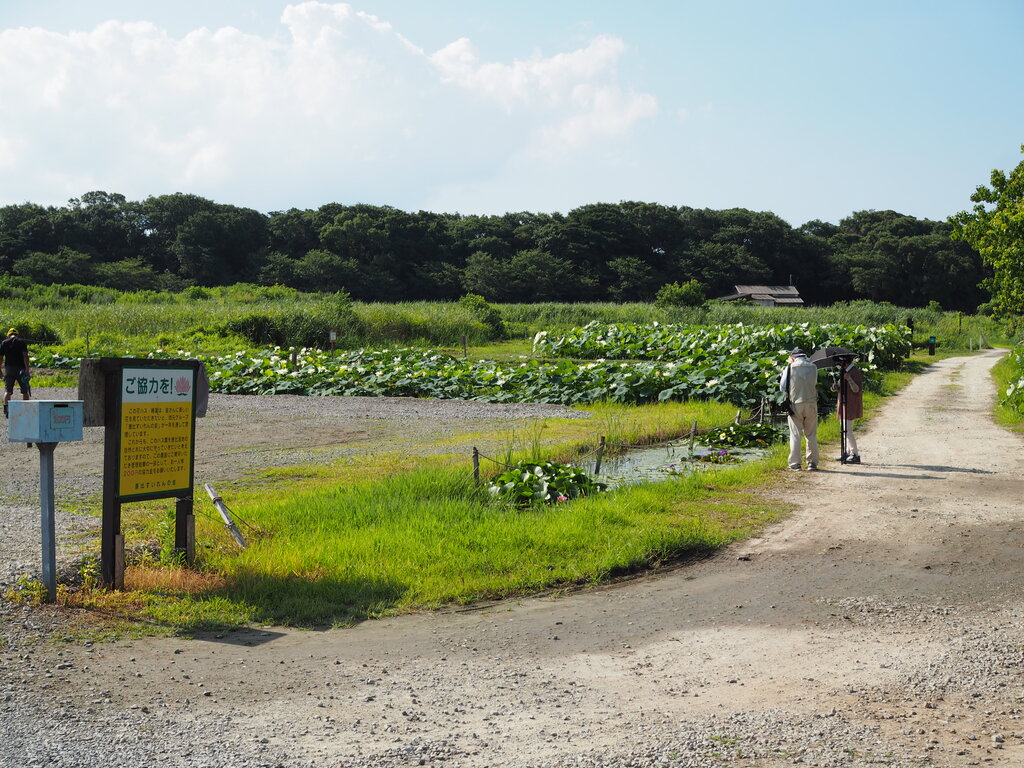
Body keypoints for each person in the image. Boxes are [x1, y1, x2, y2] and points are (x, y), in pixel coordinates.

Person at [779, 347, 819, 470]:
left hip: (795, 403)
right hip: (811, 403)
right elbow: (814, 382)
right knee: (811, 435)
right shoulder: (813, 367)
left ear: (793, 357)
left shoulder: (790, 367)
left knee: (796, 435)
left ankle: (795, 463)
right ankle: (812, 463)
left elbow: (782, 387)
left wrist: (782, 376)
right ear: (804, 356)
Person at [835, 357, 863, 463]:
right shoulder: (845, 371)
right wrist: (835, 386)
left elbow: (856, 389)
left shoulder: (854, 372)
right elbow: (839, 386)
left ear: (845, 363)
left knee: (848, 430)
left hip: (850, 404)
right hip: (843, 403)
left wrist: (849, 379)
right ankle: (847, 452)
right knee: (844, 429)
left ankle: (855, 454)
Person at [1, 328, 31, 417]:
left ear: (8, 335)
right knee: (25, 391)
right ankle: (26, 410)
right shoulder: (21, 342)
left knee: (8, 391)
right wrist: (27, 370)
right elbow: (25, 356)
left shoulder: (4, 343)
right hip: (21, 369)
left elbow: (0, 358)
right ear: (17, 335)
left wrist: (0, 370)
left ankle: (6, 410)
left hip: (9, 369)